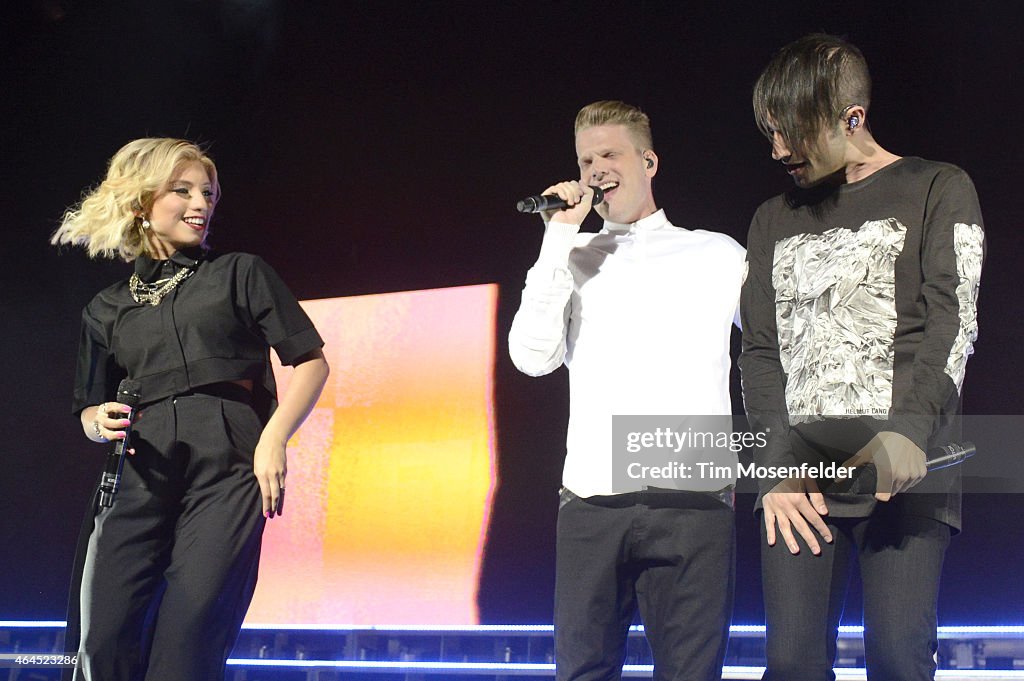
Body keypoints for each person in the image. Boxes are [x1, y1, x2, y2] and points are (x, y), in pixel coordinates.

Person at [739, 34, 984, 680]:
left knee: (899, 659)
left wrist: (910, 431)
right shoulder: (771, 218)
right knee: (791, 661)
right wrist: (773, 471)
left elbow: (952, 321)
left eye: (791, 130)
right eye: (769, 132)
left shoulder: (938, 186)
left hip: (905, 472)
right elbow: (761, 351)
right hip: (803, 481)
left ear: (852, 119)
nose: (779, 150)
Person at [51, 138, 330, 681]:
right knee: (104, 636)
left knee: (191, 631)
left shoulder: (240, 273)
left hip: (227, 465)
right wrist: (94, 422)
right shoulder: (105, 308)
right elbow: (87, 407)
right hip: (139, 467)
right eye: (183, 190)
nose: (201, 203)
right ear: (141, 201)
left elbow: (311, 363)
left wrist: (273, 439)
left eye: (208, 192)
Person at [509, 100, 745, 680]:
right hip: (592, 503)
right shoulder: (572, 257)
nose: (595, 169)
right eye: (586, 159)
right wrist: (557, 240)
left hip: (694, 501)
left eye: (610, 154)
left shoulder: (716, 254)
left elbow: (778, 350)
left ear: (649, 161)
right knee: (582, 671)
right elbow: (531, 358)